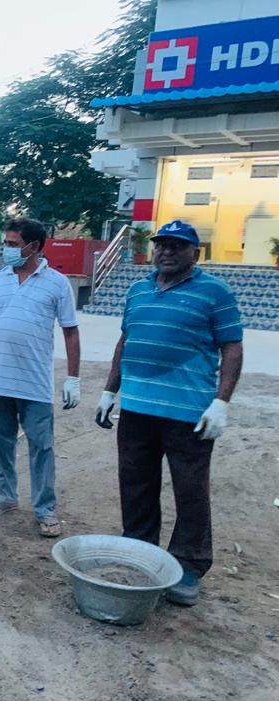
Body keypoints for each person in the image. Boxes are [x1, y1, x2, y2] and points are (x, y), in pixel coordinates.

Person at [96, 220, 243, 606]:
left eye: (177, 246)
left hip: (187, 412)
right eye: (162, 244)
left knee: (190, 489)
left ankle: (189, 564)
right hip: (136, 408)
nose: (166, 251)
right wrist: (110, 391)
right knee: (135, 483)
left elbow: (232, 346)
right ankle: (139, 550)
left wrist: (221, 401)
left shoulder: (215, 292)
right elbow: (126, 341)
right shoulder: (138, 290)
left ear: (196, 252)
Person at [0, 218, 80, 538]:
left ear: (35, 246)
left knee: (41, 447)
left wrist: (73, 378)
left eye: (13, 244)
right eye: (6, 243)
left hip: (35, 383)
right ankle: (6, 496)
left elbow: (70, 332)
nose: (7, 249)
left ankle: (45, 509)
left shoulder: (57, 283)